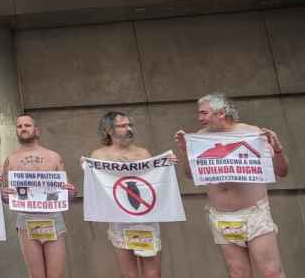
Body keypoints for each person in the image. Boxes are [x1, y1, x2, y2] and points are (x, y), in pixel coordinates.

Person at [174, 93, 289, 278]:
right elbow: (190, 175)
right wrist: (185, 153)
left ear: (221, 113)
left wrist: (278, 150)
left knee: (271, 272)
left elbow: (282, 171)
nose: (199, 118)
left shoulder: (251, 133)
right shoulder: (200, 138)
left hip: (253, 213)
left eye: (204, 113)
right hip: (221, 216)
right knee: (237, 273)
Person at [0, 115, 76, 278]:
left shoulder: (54, 157)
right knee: (35, 276)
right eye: (19, 126)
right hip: (26, 221)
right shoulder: (10, 160)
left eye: (27, 125)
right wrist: (3, 195)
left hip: (53, 218)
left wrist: (71, 191)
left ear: (37, 130)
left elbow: (68, 192)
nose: (23, 129)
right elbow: (7, 196)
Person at [88, 112, 162, 278]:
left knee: (153, 273)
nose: (128, 129)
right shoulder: (99, 156)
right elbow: (97, 189)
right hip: (119, 219)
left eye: (129, 125)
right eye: (122, 126)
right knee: (128, 274)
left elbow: (155, 184)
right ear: (108, 130)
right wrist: (88, 170)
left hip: (145, 217)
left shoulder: (143, 154)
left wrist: (166, 166)